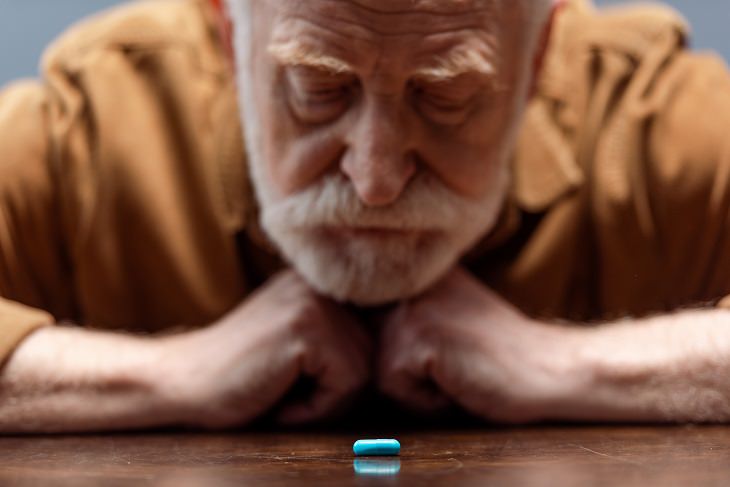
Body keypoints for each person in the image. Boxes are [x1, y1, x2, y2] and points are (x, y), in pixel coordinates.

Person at [1, 0, 730, 433]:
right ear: (229, 34)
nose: (375, 179)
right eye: (318, 88)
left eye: (446, 98)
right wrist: (169, 373)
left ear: (538, 56)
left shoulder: (651, 122)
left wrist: (563, 363)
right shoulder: (96, 125)